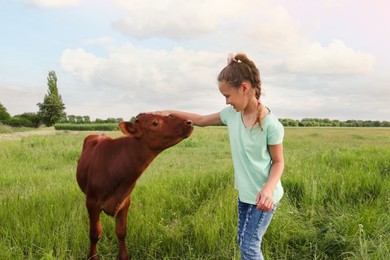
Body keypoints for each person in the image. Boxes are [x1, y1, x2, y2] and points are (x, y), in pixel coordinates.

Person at [154, 53, 284, 260]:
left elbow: (278, 162)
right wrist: (170, 111)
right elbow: (202, 119)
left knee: (249, 247)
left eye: (227, 95)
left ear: (244, 88)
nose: (226, 101)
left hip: (264, 198)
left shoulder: (270, 124)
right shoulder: (232, 115)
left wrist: (268, 190)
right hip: (246, 194)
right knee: (243, 242)